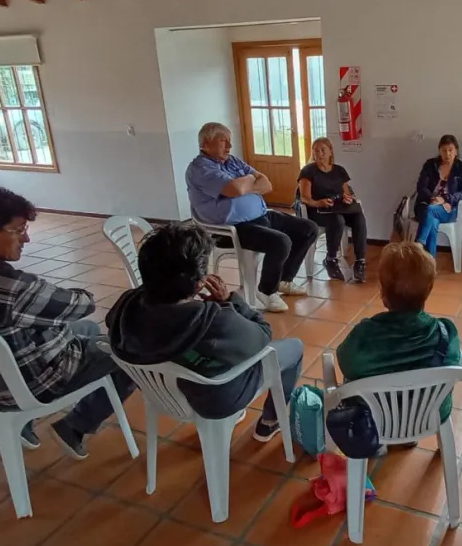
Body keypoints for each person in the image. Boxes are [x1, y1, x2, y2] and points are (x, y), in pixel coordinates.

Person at [0, 185, 135, 459]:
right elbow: (83, 304)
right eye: (19, 230)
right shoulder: (14, 290)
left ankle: (26, 424)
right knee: (130, 354)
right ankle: (75, 426)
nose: (27, 239)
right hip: (31, 384)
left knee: (87, 330)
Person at [105, 223, 302, 441]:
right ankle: (269, 421)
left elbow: (111, 320)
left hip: (164, 395)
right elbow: (263, 333)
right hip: (215, 401)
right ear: (200, 283)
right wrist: (229, 301)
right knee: (294, 348)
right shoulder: (214, 320)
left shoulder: (128, 304)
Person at [186, 122, 319, 313]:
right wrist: (249, 180)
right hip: (228, 228)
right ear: (206, 143)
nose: (229, 147)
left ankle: (284, 280)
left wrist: (245, 185)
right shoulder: (200, 169)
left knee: (308, 229)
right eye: (224, 141)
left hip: (260, 216)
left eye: (229, 141)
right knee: (281, 242)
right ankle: (266, 290)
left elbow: (266, 184)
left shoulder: (232, 161)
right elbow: (235, 189)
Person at [337, 241, 462, 421]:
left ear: (383, 294)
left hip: (376, 417)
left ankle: (378, 442)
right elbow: (452, 363)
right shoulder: (446, 332)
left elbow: (346, 363)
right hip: (428, 414)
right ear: (429, 290)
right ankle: (409, 431)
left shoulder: (365, 334)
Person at [297, 137, 368, 283]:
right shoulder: (308, 171)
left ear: (330, 152)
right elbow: (304, 198)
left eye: (323, 150)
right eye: (316, 151)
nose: (319, 153)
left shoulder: (339, 171)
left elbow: (346, 193)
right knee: (337, 220)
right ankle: (331, 259)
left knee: (359, 218)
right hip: (317, 210)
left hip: (337, 207)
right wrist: (318, 203)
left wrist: (347, 199)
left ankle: (360, 261)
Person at [413, 134, 462, 259]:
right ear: (439, 151)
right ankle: (430, 262)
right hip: (425, 205)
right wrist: (432, 199)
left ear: (456, 151)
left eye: (451, 150)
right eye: (444, 150)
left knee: (431, 212)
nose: (447, 154)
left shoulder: (461, 168)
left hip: (447, 208)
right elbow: (421, 187)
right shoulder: (430, 165)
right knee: (432, 219)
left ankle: (419, 243)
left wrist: (445, 199)